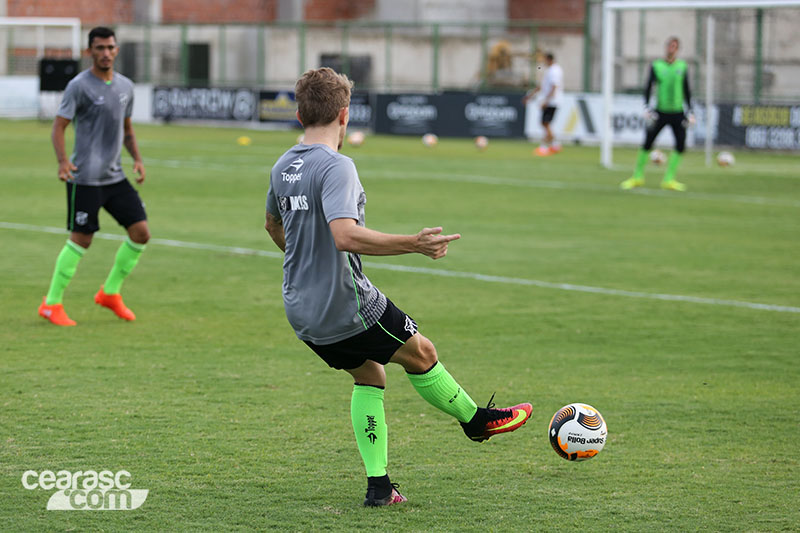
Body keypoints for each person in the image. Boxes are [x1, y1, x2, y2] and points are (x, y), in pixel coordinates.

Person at [264, 68, 532, 507]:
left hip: (300, 308)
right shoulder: (337, 166)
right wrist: (415, 243)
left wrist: (305, 264)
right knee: (422, 353)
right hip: (345, 305)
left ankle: (379, 488)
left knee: (369, 373)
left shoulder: (283, 165)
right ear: (345, 115)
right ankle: (476, 421)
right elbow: (345, 236)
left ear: (298, 114)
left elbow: (274, 225)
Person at [39, 26, 149, 326]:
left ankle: (110, 293)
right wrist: (63, 161)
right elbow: (58, 126)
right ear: (90, 52)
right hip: (84, 178)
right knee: (81, 240)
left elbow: (127, 129)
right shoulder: (79, 86)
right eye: (99, 48)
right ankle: (51, 303)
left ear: (116, 50)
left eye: (110, 47)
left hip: (114, 177)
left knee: (141, 233)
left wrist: (137, 159)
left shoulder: (126, 86)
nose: (105, 53)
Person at [621, 36, 694, 192]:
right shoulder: (657, 65)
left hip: (678, 112)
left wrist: (691, 110)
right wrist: (647, 107)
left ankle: (669, 179)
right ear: (666, 47)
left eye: (674, 46)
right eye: (669, 46)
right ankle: (637, 177)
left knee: (681, 145)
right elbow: (648, 87)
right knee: (647, 142)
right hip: (660, 112)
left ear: (678, 49)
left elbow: (687, 89)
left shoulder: (682, 66)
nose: (671, 48)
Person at [523, 52, 563, 156]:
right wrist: (530, 96)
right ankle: (555, 145)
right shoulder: (549, 70)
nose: (543, 62)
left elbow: (554, 86)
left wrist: (547, 101)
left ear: (549, 59)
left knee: (545, 123)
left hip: (553, 101)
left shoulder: (555, 70)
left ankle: (544, 147)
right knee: (545, 123)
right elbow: (542, 86)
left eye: (544, 60)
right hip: (550, 101)